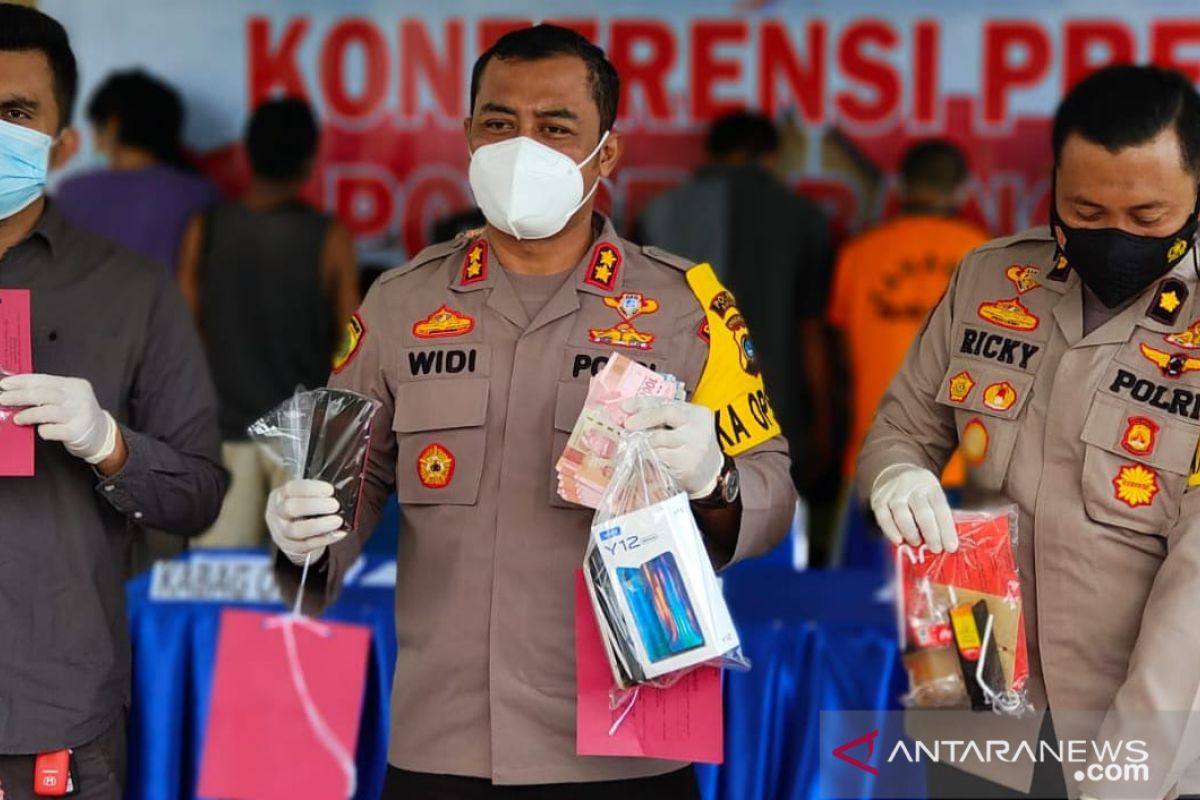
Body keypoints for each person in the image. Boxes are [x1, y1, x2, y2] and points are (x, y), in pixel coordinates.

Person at [265, 24, 796, 798]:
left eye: (554, 127)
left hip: (628, 741)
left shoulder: (683, 309)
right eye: (499, 123)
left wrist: (718, 479)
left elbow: (773, 496)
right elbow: (339, 496)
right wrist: (300, 538)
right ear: (468, 137)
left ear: (605, 154)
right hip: (444, 741)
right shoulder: (399, 303)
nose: (524, 146)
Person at [860, 64, 1200, 797]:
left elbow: (1195, 592)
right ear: (1052, 186)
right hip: (972, 700)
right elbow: (903, 427)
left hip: (1142, 729)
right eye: (1085, 210)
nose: (1115, 237)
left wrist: (1124, 773)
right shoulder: (988, 279)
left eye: (1147, 218)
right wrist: (896, 473)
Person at [0, 5, 227, 798]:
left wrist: (108, 443)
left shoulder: (130, 292)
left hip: (54, 723)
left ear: (63, 141)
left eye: (15, 112)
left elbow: (198, 494)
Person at [177, 97, 359, 548]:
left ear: (246, 153)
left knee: (224, 586)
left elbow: (184, 331)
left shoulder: (207, 227)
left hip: (223, 435)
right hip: (301, 442)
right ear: (310, 159)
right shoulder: (328, 237)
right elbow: (353, 342)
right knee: (298, 586)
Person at [636, 111, 834, 487]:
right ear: (771, 157)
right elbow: (813, 334)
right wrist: (823, 426)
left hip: (671, 418)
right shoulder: (804, 218)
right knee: (770, 529)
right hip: (774, 416)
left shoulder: (660, 212)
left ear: (709, 153)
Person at [827, 140, 988, 566]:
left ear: (899, 186)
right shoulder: (986, 257)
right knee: (963, 621)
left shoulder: (858, 255)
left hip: (877, 463)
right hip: (966, 464)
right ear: (963, 191)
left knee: (862, 616)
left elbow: (840, 361)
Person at [54, 69, 220, 270]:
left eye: (96, 132)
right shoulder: (199, 194)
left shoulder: (71, 193)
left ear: (113, 125)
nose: (95, 144)